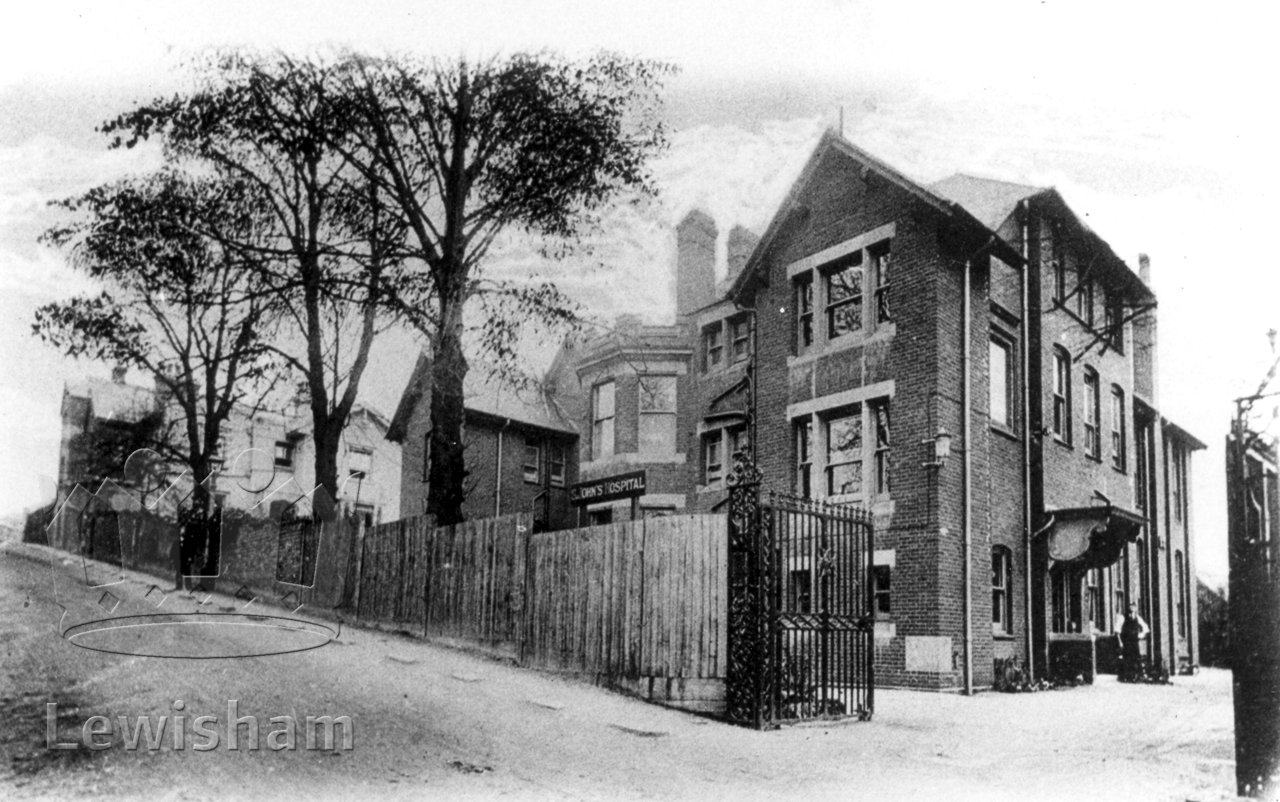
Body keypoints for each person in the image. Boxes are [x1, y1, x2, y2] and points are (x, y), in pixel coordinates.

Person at [1115, 602, 1150, 682]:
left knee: (1135, 658)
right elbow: (1117, 631)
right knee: (1126, 659)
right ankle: (1125, 677)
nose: (1132, 608)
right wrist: (1120, 642)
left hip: (1134, 642)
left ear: (1136, 608)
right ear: (1128, 607)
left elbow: (1146, 628)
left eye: (1134, 606)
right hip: (1126, 642)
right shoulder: (1122, 617)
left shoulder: (1138, 618)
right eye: (1130, 606)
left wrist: (1140, 635)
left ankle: (1135, 677)